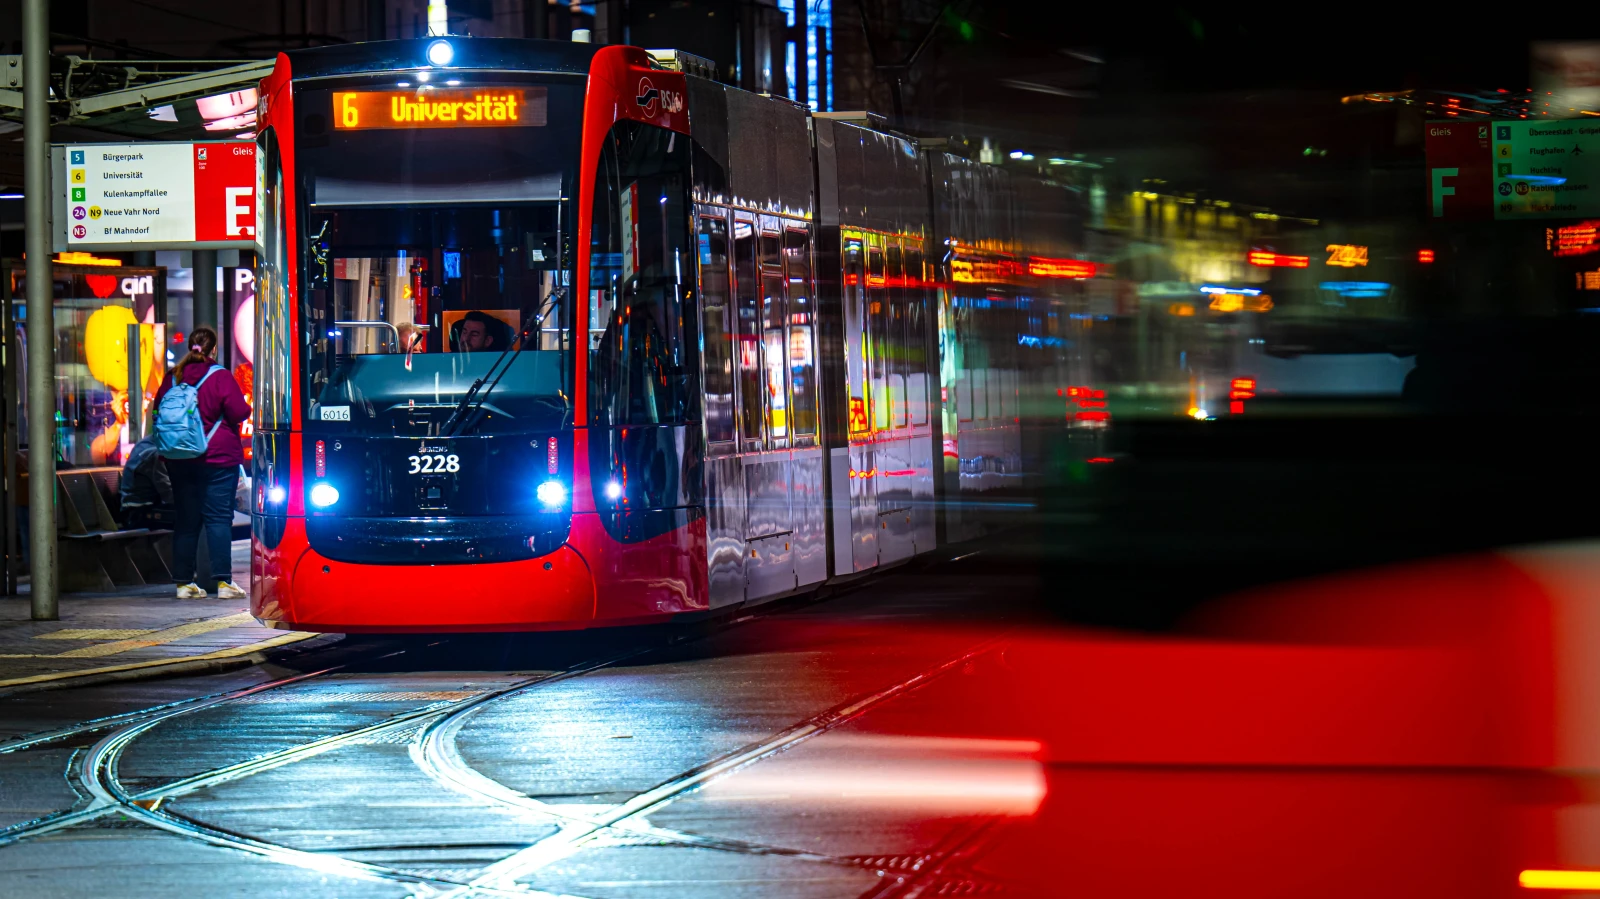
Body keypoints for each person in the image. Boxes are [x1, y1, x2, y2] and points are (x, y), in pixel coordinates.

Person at [152, 326, 251, 599]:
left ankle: (184, 584)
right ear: (213, 349)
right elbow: (239, 411)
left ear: (190, 347)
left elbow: (157, 412)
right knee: (218, 519)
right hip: (217, 457)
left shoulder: (172, 377)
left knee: (186, 520)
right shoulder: (219, 376)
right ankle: (223, 584)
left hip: (179, 458)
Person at [119, 433, 173, 528]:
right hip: (138, 512)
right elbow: (169, 494)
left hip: (138, 509)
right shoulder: (155, 453)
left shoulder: (148, 443)